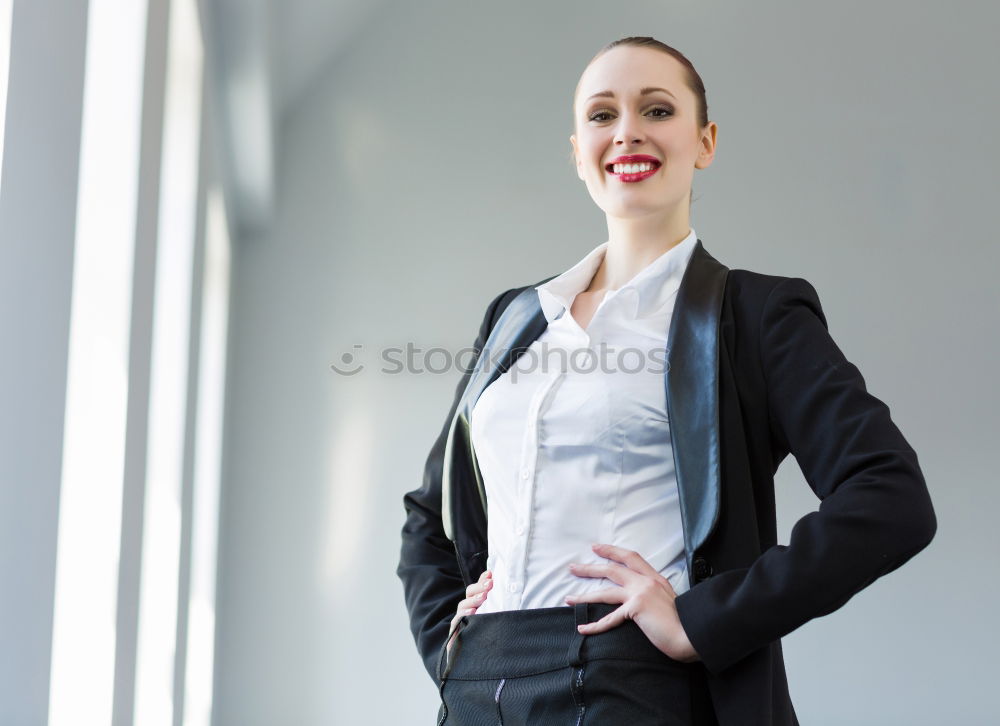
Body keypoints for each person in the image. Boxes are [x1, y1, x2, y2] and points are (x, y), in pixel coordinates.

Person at [396, 36, 937, 726]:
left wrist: (706, 620)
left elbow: (890, 497)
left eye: (656, 109)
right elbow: (429, 514)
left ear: (704, 142)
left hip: (632, 684)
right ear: (577, 152)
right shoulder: (514, 317)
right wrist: (447, 636)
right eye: (601, 115)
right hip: (479, 684)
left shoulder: (754, 315)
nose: (627, 131)